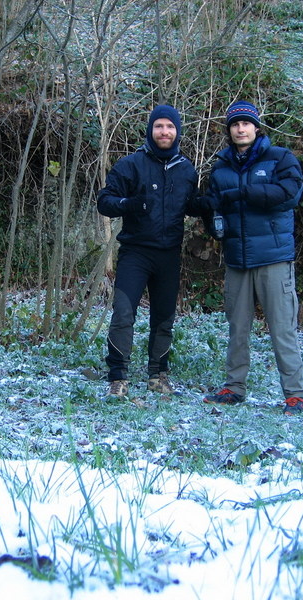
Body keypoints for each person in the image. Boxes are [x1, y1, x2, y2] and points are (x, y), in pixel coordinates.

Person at [201, 100, 303, 415]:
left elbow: (289, 195)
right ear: (229, 130)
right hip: (237, 259)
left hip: (274, 259)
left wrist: (246, 193)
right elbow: (215, 207)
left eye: (246, 123)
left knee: (282, 327)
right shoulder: (220, 167)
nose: (241, 128)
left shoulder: (280, 159)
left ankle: (294, 395)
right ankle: (234, 388)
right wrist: (211, 221)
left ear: (256, 127)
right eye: (235, 124)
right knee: (237, 327)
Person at [97, 104, 200, 400]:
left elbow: (190, 204)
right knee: (123, 313)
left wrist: (208, 207)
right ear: (150, 130)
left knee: (164, 317)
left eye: (170, 127)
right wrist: (129, 204)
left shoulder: (186, 169)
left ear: (177, 131)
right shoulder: (131, 165)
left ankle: (158, 375)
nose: (164, 132)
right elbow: (105, 201)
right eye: (159, 126)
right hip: (136, 253)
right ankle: (118, 378)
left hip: (168, 255)